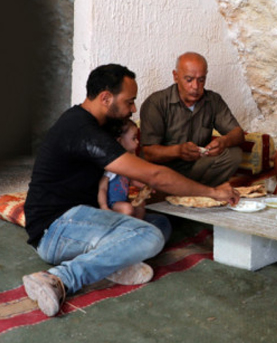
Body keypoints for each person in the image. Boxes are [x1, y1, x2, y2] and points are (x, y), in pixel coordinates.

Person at [22, 64, 240, 317]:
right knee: (150, 236)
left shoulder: (100, 124)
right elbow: (154, 174)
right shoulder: (82, 130)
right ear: (105, 98)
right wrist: (212, 192)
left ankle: (111, 262)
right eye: (129, 102)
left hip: (83, 218)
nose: (133, 109)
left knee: (160, 222)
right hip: (54, 230)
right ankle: (60, 278)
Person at [139, 52, 245, 186]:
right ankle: (194, 190)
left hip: (196, 167)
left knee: (233, 154)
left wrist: (224, 141)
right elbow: (149, 152)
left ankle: (198, 192)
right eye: (189, 80)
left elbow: (238, 133)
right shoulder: (156, 103)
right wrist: (178, 151)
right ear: (175, 76)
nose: (195, 86)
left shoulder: (213, 100)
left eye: (201, 80)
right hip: (164, 171)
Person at [97, 119, 145, 220]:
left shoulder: (127, 163)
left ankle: (136, 227)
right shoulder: (112, 166)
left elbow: (132, 181)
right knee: (127, 208)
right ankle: (122, 231)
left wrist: (145, 187)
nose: (137, 142)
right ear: (119, 141)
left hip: (124, 200)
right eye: (134, 138)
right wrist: (103, 206)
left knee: (140, 205)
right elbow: (102, 187)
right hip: (113, 203)